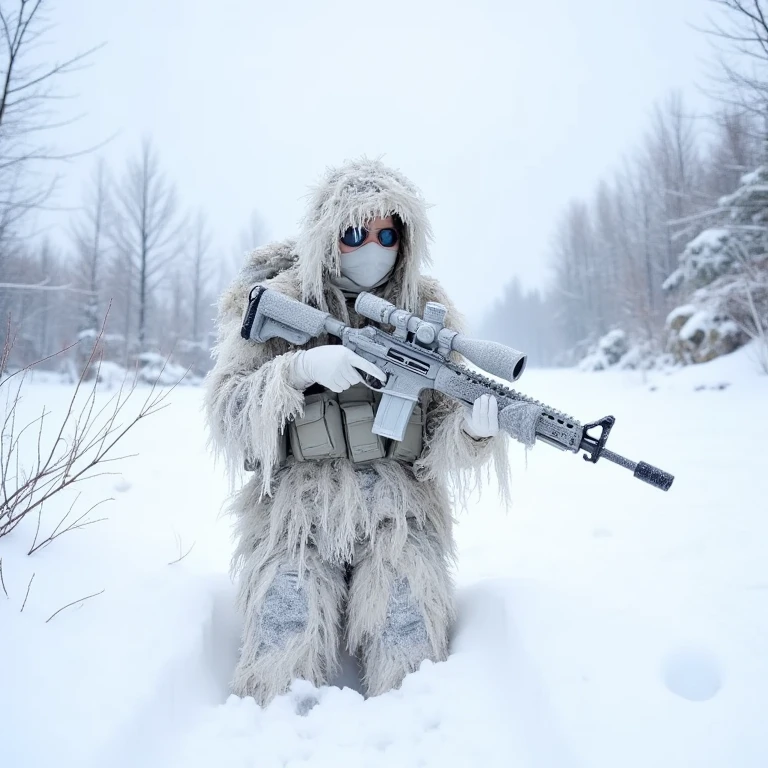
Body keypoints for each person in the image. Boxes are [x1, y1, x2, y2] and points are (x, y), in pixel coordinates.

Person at [205, 157, 510, 705]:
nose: (373, 247)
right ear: (327, 235)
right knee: (283, 620)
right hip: (296, 510)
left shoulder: (426, 311)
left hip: (398, 511)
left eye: (387, 234)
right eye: (354, 233)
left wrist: (474, 430)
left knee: (409, 619)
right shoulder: (284, 303)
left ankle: (417, 734)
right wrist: (296, 371)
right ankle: (274, 738)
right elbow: (228, 410)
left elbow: (441, 435)